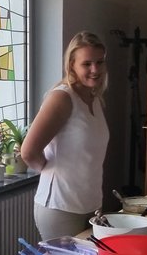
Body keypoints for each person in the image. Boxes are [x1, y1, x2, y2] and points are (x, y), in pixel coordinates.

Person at [20, 31, 109, 240]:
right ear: (72, 65)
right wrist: (51, 170)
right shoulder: (62, 98)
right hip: (60, 207)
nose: (95, 70)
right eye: (86, 64)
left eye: (99, 62)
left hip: (90, 204)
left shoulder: (94, 98)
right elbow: (28, 151)